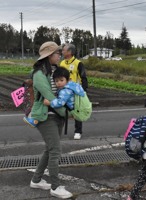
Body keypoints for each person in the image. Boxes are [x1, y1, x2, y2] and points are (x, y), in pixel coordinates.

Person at [28, 41, 73, 199]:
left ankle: (36, 180)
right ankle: (55, 187)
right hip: (45, 116)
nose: (60, 55)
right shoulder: (39, 74)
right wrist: (68, 112)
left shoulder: (54, 70)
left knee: (49, 149)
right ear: (48, 55)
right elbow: (50, 96)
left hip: (56, 116)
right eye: (57, 53)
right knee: (55, 150)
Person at [60, 43, 88, 140]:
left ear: (70, 52)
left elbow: (84, 78)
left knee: (77, 111)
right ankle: (59, 130)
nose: (62, 51)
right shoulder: (62, 63)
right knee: (60, 110)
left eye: (64, 50)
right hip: (64, 92)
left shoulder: (78, 63)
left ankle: (78, 131)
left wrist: (83, 91)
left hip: (75, 92)